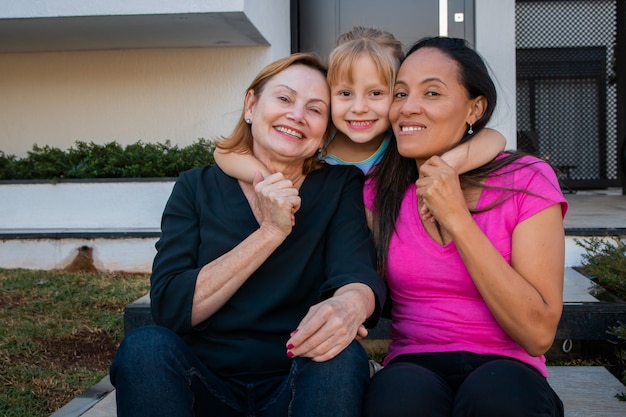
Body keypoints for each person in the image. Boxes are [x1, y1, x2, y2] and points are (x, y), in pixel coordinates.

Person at [109, 52, 386, 417]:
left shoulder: (337, 187)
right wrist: (270, 231)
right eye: (284, 99)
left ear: (325, 133)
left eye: (315, 109)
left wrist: (351, 303)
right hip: (204, 381)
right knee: (144, 348)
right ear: (251, 105)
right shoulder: (196, 186)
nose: (297, 115)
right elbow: (171, 307)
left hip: (297, 376)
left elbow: (355, 272)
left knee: (341, 355)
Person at [363, 37, 567, 417]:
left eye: (432, 92)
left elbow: (538, 335)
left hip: (508, 370)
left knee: (497, 396)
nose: (408, 107)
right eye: (400, 93)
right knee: (399, 399)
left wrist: (456, 216)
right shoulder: (380, 188)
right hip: (414, 365)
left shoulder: (525, 179)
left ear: (474, 108)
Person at [214, 27, 506, 189]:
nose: (359, 108)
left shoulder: (401, 144)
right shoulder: (317, 140)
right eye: (344, 93)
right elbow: (225, 151)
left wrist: (447, 168)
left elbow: (494, 139)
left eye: (377, 93)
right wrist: (271, 183)